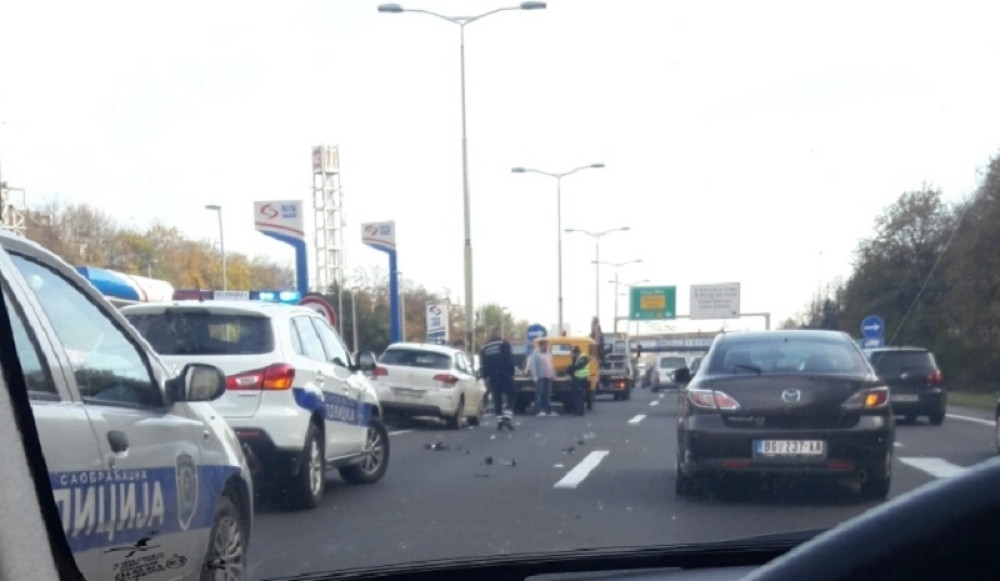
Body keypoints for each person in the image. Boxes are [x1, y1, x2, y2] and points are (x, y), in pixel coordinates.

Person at [479, 326, 516, 426]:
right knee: (511, 395)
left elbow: (483, 364)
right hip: (505, 374)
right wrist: (512, 372)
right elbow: (509, 359)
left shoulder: (485, 347)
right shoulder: (503, 343)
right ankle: (507, 416)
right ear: (498, 332)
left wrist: (484, 376)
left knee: (497, 397)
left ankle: (499, 419)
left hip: (492, 376)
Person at [526, 339, 556, 417]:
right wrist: (535, 377)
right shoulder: (536, 354)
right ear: (540, 346)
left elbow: (551, 365)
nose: (546, 347)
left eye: (546, 345)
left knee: (547, 394)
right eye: (544, 345)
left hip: (548, 376)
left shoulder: (548, 353)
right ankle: (538, 411)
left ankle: (548, 411)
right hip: (540, 377)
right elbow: (533, 365)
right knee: (539, 394)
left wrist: (553, 374)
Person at [567, 345, 591, 416]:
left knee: (579, 396)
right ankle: (576, 411)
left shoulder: (583, 357)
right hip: (577, 378)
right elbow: (574, 366)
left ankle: (580, 411)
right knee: (576, 396)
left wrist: (569, 368)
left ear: (577, 352)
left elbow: (578, 366)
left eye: (574, 353)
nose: (573, 354)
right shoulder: (577, 358)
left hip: (581, 379)